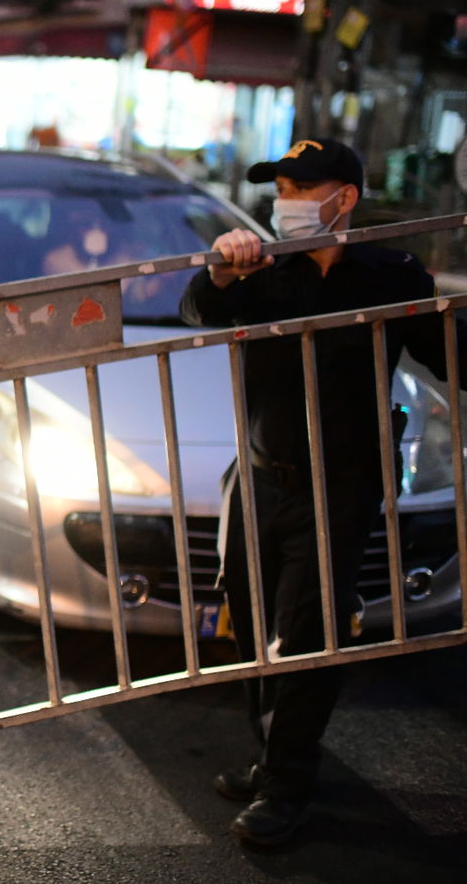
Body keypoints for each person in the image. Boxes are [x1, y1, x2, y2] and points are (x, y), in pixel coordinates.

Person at [180, 138, 465, 847]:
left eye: (303, 188)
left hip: (339, 484)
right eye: (280, 189)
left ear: (345, 197)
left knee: (309, 636)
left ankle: (288, 785)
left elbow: (447, 353)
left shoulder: (390, 275)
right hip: (259, 475)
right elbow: (197, 311)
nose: (287, 203)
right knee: (250, 623)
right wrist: (218, 270)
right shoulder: (262, 269)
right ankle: (271, 753)